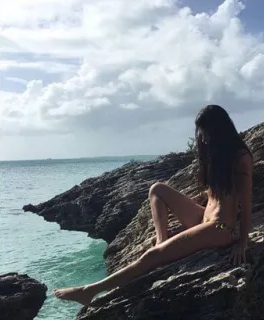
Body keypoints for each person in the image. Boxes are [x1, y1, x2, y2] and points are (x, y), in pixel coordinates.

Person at [54, 105, 253, 306]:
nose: (203, 137)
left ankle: (89, 291)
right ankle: (161, 239)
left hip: (220, 229)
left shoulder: (241, 158)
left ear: (219, 129)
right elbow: (216, 194)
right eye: (201, 132)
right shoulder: (216, 155)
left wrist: (242, 242)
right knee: (157, 189)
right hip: (202, 219)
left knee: (152, 256)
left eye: (206, 132)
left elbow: (246, 203)